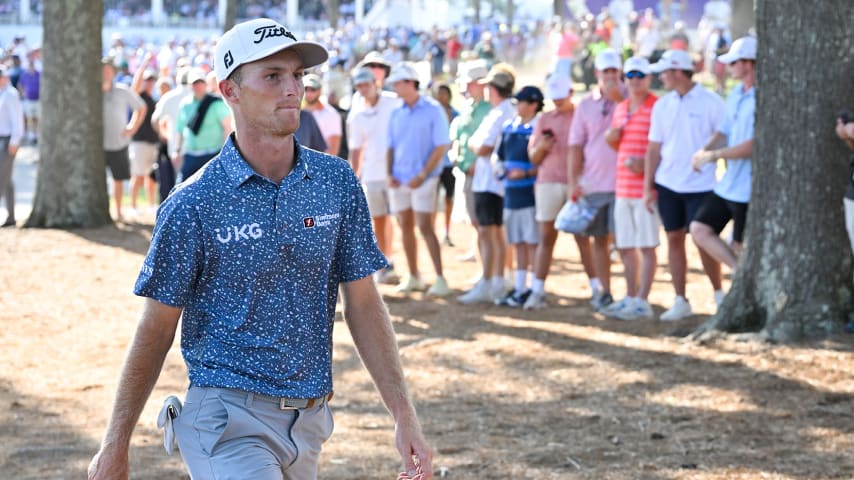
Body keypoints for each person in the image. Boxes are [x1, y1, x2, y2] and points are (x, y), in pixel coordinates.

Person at [87, 18, 432, 480]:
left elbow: (365, 305)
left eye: (298, 76)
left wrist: (403, 415)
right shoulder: (193, 203)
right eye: (273, 76)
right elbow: (155, 327)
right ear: (230, 91)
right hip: (224, 421)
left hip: (309, 423)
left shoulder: (336, 182)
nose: (293, 89)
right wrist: (115, 444)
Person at [644, 49, 725, 321]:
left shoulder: (711, 102)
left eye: (664, 71)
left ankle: (719, 295)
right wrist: (648, 187)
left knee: (704, 240)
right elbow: (654, 149)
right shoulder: (662, 105)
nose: (661, 77)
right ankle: (680, 299)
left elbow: (724, 138)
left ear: (678, 71)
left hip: (701, 185)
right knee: (674, 238)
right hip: (668, 183)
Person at [689, 36, 757, 305]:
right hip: (730, 183)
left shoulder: (762, 97)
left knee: (740, 245)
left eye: (734, 62)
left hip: (749, 188)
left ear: (747, 64)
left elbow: (753, 146)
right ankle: (740, 275)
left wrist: (714, 155)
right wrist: (704, 151)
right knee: (699, 228)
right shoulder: (736, 93)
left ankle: (742, 290)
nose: (728, 67)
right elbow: (724, 131)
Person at [386, 62, 452, 297]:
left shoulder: (433, 109)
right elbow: (390, 147)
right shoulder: (396, 112)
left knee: (425, 226)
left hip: (425, 179)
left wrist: (423, 174)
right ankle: (413, 275)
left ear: (410, 83)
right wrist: (389, 173)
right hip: (400, 179)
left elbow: (441, 145)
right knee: (405, 225)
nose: (394, 85)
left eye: (398, 81)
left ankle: (440, 277)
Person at [568, 49, 625, 311]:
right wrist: (573, 180)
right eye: (606, 72)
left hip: (626, 183)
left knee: (626, 242)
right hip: (595, 182)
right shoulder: (585, 105)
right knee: (600, 239)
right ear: (597, 74)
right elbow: (576, 145)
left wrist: (621, 100)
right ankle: (605, 290)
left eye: (615, 71)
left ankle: (634, 294)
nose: (611, 76)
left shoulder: (631, 99)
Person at [602, 56, 659, 320]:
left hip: (645, 188)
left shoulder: (657, 107)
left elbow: (662, 147)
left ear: (648, 79)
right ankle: (630, 295)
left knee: (646, 246)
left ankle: (643, 300)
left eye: (640, 76)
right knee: (626, 246)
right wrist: (612, 140)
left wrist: (646, 169)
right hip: (622, 186)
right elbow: (619, 143)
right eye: (631, 76)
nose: (635, 80)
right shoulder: (622, 107)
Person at [457, 65, 517, 304]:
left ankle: (492, 279)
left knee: (490, 233)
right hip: (489, 181)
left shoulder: (502, 112)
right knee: (490, 233)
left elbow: (480, 146)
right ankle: (493, 279)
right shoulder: (500, 111)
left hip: (491, 181)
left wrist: (475, 145)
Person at [524, 73, 574, 310]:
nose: (558, 102)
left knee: (585, 238)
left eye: (561, 97)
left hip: (577, 182)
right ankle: (537, 289)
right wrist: (542, 146)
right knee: (545, 238)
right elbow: (533, 157)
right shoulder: (544, 119)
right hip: (548, 181)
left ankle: (598, 290)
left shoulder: (580, 115)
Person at [348, 67, 403, 284]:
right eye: (359, 86)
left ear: (375, 83)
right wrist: (354, 177)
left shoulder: (393, 102)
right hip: (372, 174)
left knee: (402, 219)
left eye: (366, 84)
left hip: (397, 172)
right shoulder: (357, 114)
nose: (363, 89)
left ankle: (404, 266)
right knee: (379, 219)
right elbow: (356, 148)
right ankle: (385, 262)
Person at [495, 86, 543, 307]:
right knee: (518, 242)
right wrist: (502, 171)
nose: (517, 106)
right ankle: (520, 286)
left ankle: (534, 288)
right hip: (511, 193)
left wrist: (524, 173)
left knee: (532, 242)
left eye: (521, 101)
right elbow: (499, 156)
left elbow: (543, 163)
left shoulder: (539, 128)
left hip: (530, 195)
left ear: (533, 104)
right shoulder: (509, 127)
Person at [449, 60, 491, 262]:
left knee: (484, 222)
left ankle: (488, 267)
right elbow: (459, 136)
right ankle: (479, 254)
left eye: (471, 83)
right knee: (475, 219)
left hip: (483, 172)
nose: (466, 87)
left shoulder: (490, 108)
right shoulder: (467, 107)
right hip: (466, 170)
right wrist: (457, 155)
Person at [102, 57, 147, 221]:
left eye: (108, 70)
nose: (105, 73)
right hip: (97, 146)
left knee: (118, 180)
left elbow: (141, 108)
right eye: (103, 70)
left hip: (118, 143)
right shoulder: (91, 93)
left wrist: (132, 127)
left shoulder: (122, 90)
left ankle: (118, 211)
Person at [172, 68, 232, 181]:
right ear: (190, 86)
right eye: (194, 83)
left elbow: (227, 128)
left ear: (205, 84)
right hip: (190, 154)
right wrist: (177, 150)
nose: (197, 86)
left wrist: (225, 152)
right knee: (182, 188)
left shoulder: (216, 103)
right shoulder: (185, 104)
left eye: (200, 83)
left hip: (212, 154)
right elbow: (180, 129)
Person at [151, 66, 192, 202]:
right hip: (198, 147)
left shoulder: (169, 97)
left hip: (175, 146)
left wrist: (164, 135)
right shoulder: (199, 95)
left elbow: (155, 120)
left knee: (179, 183)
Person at [129, 62, 161, 214]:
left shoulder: (154, 99)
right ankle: (133, 206)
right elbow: (135, 84)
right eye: (147, 80)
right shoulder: (139, 97)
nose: (149, 83)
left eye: (151, 80)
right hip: (140, 141)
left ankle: (150, 204)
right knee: (138, 175)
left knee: (151, 176)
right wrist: (143, 66)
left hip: (152, 142)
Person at [431, 82, 459, 246]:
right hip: (435, 163)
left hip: (449, 163)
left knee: (449, 198)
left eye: (444, 93)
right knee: (433, 199)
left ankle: (447, 231)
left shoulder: (456, 114)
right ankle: (431, 229)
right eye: (439, 93)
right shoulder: (431, 114)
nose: (442, 97)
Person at [0, 65, 23, 227]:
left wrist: (15, 141)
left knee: (3, 177)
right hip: (2, 138)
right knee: (7, 179)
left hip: (8, 140)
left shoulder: (11, 94)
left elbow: (18, 121)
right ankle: (11, 216)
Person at [302, 73, 342, 156]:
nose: (309, 93)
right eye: (306, 89)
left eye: (313, 89)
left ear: (320, 90)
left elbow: (333, 148)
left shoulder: (331, 114)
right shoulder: (298, 113)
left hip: (319, 165)